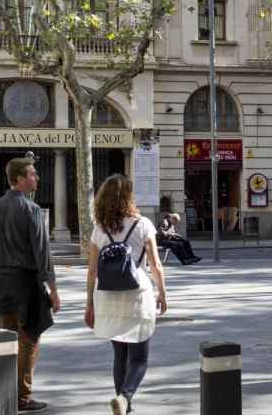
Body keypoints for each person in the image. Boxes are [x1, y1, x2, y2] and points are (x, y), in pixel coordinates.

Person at [0, 156, 58, 414]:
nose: (37, 178)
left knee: (5, 338)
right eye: (32, 174)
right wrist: (53, 290)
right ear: (19, 179)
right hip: (26, 283)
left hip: (1, 282)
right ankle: (22, 396)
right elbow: (43, 254)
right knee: (29, 339)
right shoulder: (31, 210)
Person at [85, 174, 167, 415]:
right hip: (138, 295)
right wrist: (162, 293)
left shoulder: (99, 230)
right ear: (128, 197)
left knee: (120, 355)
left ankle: (124, 404)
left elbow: (91, 272)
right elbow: (155, 265)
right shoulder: (142, 225)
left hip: (107, 295)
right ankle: (125, 397)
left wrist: (89, 304)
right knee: (139, 358)